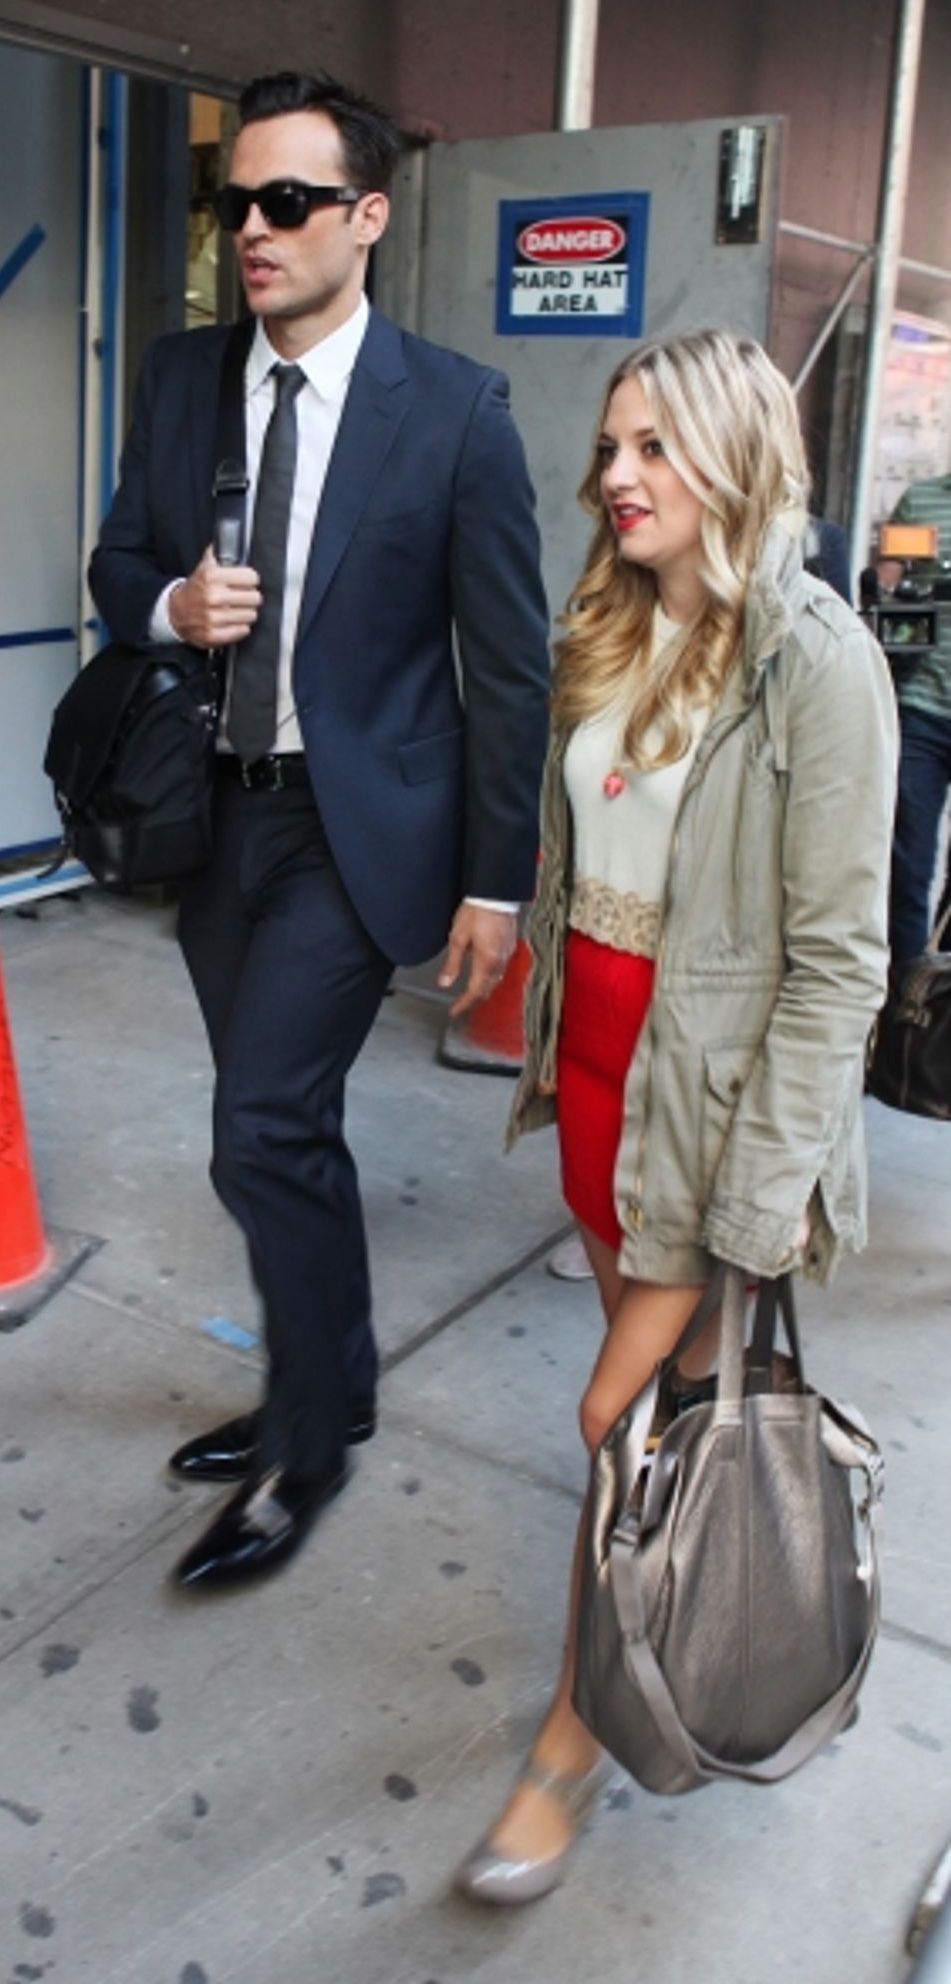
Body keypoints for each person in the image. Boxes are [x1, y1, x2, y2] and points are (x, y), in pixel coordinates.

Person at [89, 71, 550, 1590]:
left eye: (290, 202)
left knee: (259, 1130)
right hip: (208, 823)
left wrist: (500, 881)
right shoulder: (176, 379)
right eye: (238, 203)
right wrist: (168, 606)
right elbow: (114, 565)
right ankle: (329, 1377)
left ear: (366, 216)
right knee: (281, 1134)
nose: (256, 230)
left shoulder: (456, 411)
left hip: (358, 838)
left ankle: (306, 1450)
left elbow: (508, 666)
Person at [453, 327, 897, 1903]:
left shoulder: (820, 662)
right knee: (648, 1440)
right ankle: (683, 1658)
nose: (616, 476)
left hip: (708, 1132)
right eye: (611, 447)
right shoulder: (621, 628)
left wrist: (758, 1201)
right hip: (598, 1105)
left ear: (733, 455)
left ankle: (577, 1744)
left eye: (652, 446)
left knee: (615, 1432)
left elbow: (842, 965)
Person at [885, 468, 951, 966]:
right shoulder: (922, 501)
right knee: (907, 866)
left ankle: (942, 1010)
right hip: (922, 708)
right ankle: (903, 1008)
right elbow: (890, 585)